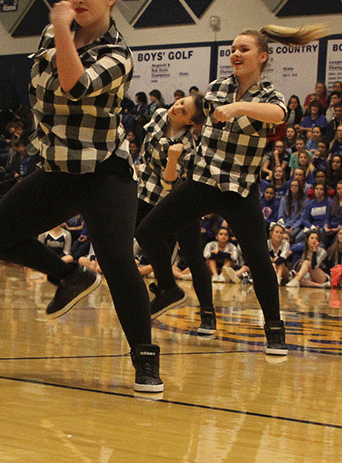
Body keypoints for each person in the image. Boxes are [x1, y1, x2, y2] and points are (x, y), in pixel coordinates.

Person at [0, 0, 163, 392]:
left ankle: (145, 358)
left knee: (118, 262)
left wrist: (61, 28)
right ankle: (69, 274)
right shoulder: (51, 35)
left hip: (105, 174)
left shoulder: (118, 54)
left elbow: (73, 85)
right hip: (57, 169)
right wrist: (60, 33)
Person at [137, 23, 329, 356]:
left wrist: (239, 107)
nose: (236, 54)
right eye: (233, 49)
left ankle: (274, 329)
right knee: (148, 231)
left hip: (240, 189)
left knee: (258, 258)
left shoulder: (270, 94)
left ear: (263, 56)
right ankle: (168, 289)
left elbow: (279, 115)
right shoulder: (215, 88)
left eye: (244, 49)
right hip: (203, 181)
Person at [135, 93, 213, 328]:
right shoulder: (159, 116)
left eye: (183, 110)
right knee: (142, 237)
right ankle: (166, 288)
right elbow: (146, 151)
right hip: (146, 192)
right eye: (179, 103)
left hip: (178, 201)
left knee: (193, 255)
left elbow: (170, 182)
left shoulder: (189, 145)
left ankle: (207, 314)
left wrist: (172, 158)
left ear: (190, 122)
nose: (176, 108)